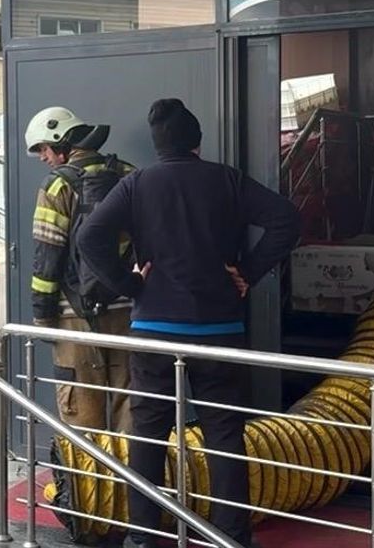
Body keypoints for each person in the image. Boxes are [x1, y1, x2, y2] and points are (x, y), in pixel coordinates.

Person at [77, 98, 301, 548]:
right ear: (197, 142)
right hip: (218, 331)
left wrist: (131, 285)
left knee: (148, 432)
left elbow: (89, 237)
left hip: (154, 333)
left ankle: (143, 536)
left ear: (158, 145)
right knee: (223, 434)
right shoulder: (226, 179)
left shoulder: (137, 184)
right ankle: (232, 536)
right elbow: (286, 219)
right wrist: (248, 272)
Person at [25, 106, 136, 434]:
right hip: (128, 311)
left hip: (74, 317)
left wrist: (43, 317)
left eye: (44, 148)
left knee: (82, 414)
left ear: (62, 142)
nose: (43, 157)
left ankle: (88, 469)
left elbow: (47, 256)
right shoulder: (130, 174)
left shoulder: (56, 186)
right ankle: (128, 469)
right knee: (131, 406)